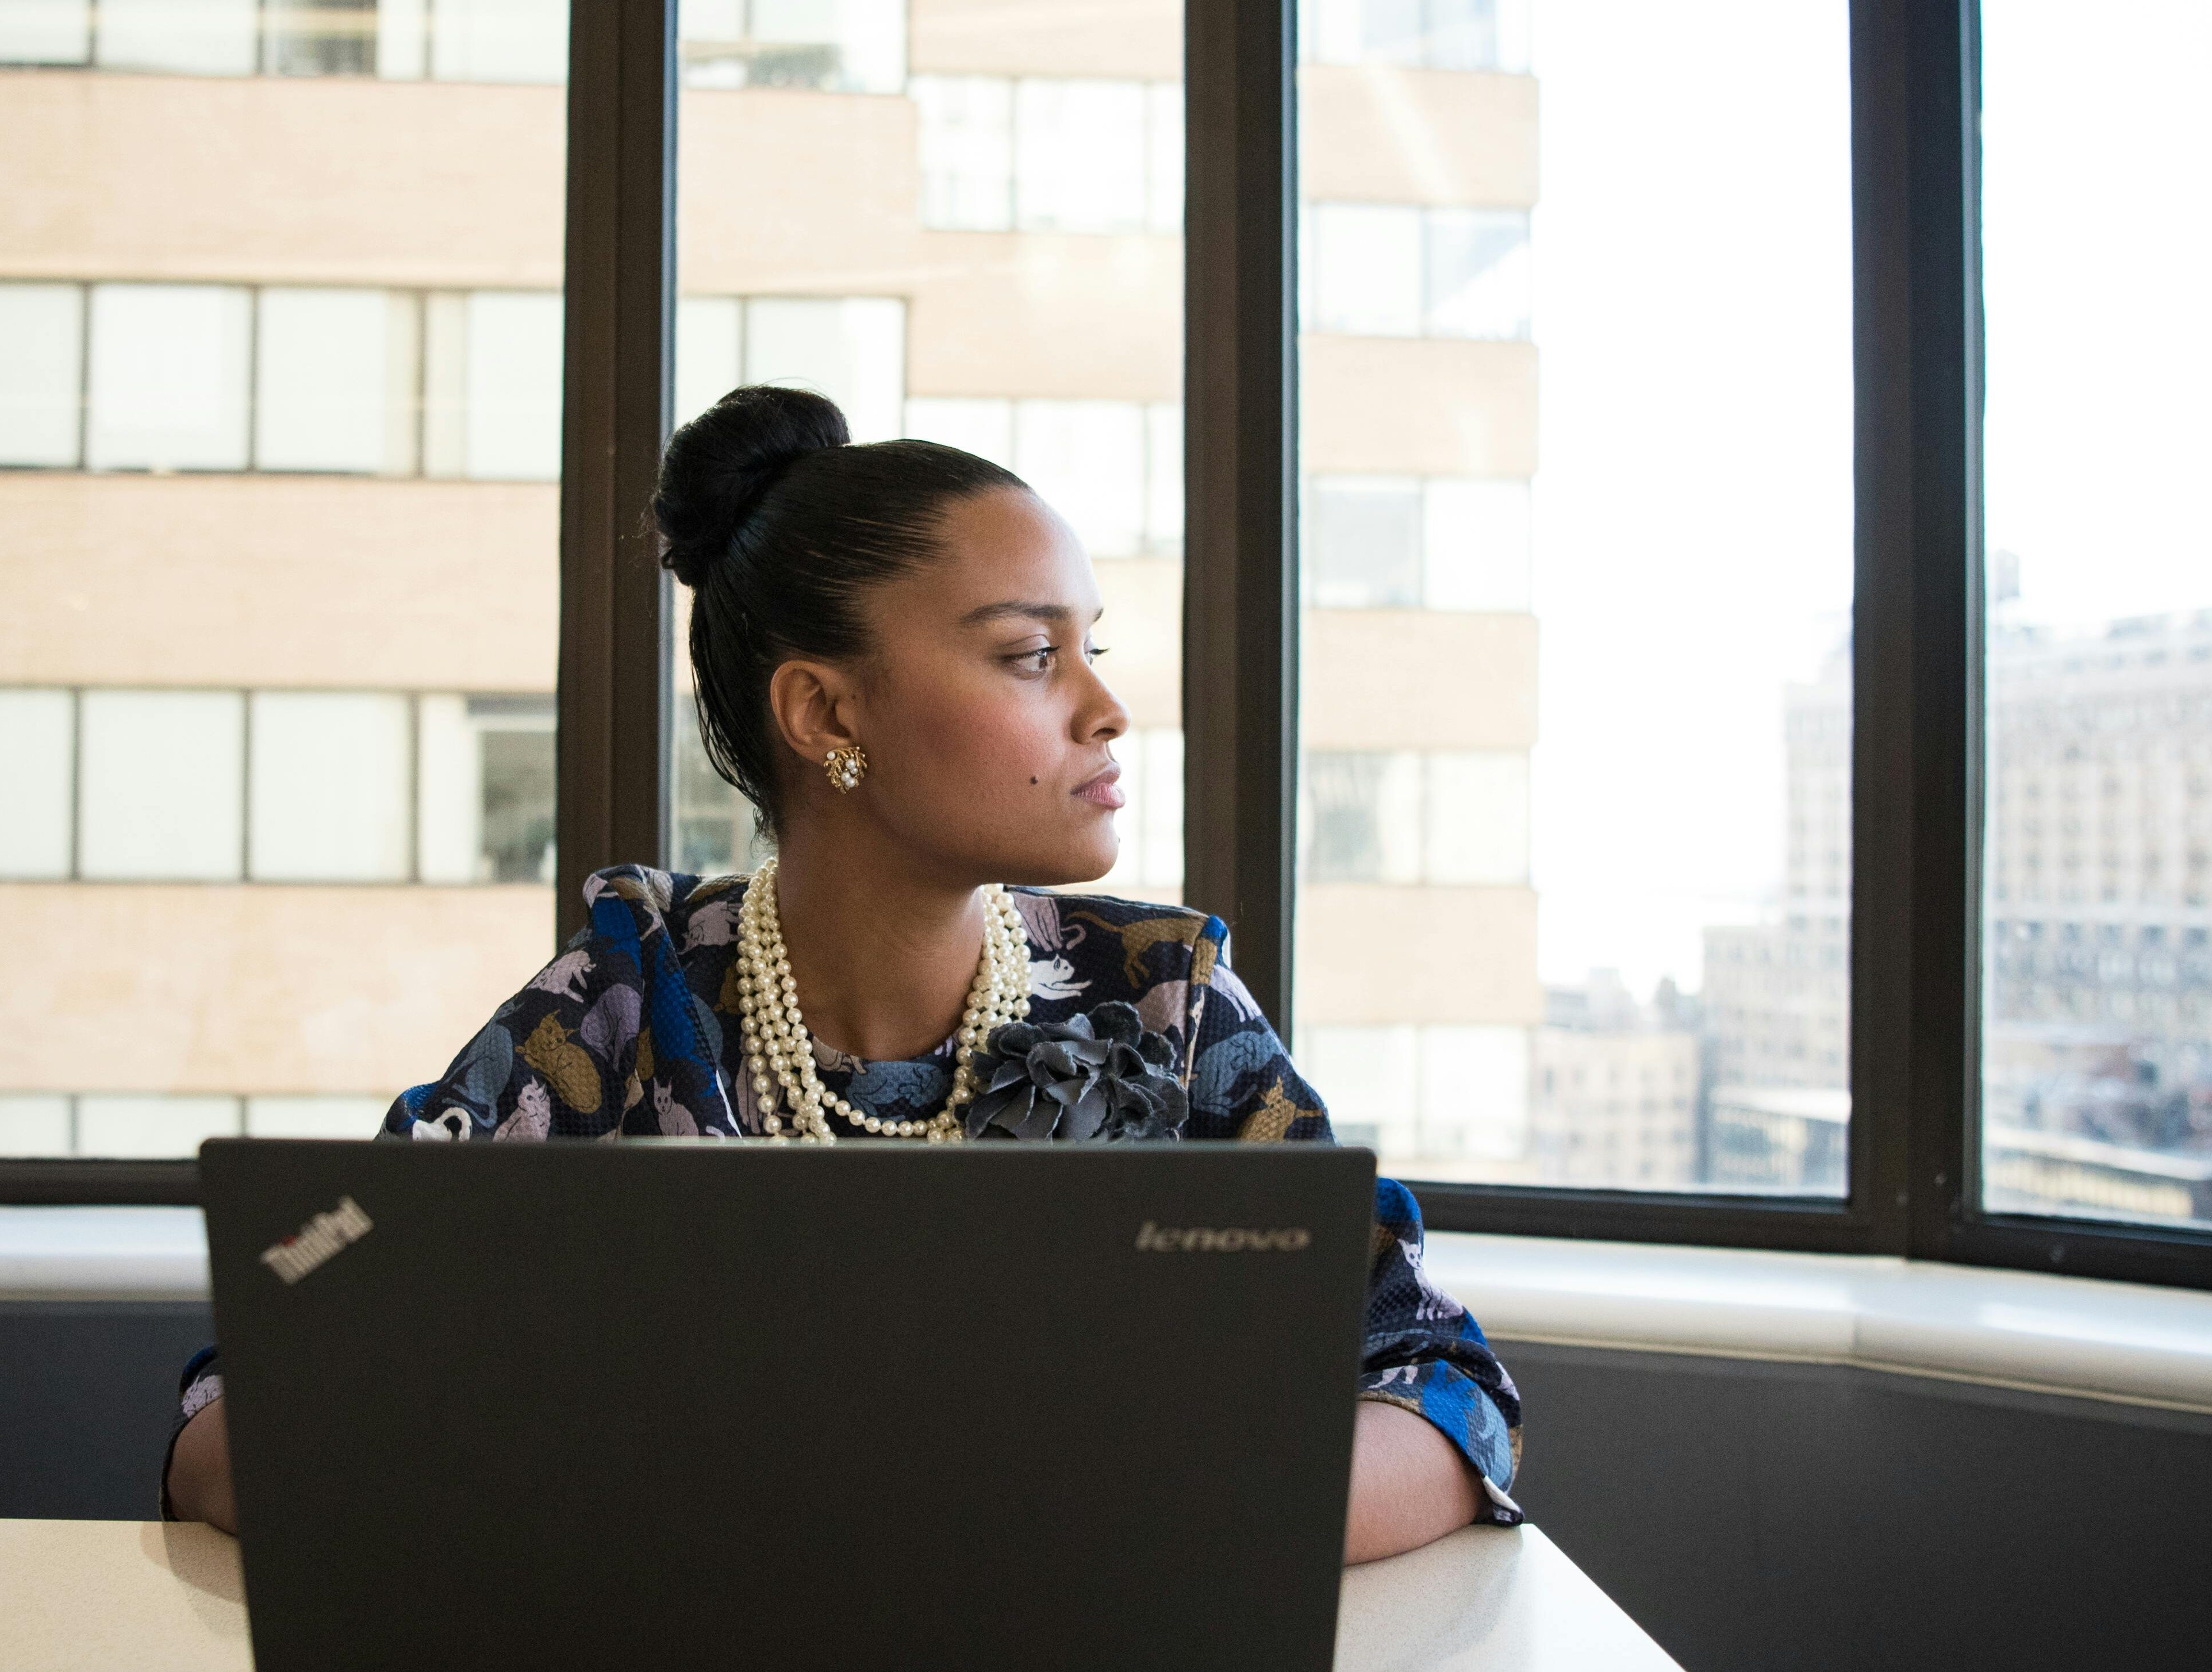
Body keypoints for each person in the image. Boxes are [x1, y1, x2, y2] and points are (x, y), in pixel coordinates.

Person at [163, 385, 1522, 1562]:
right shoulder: (627, 1000)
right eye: (1028, 655)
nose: (1105, 709)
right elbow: (243, 1404)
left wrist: (1123, 1522)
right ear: (824, 713)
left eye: (1089, 649)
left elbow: (1442, 1387)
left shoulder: (1164, 1005)